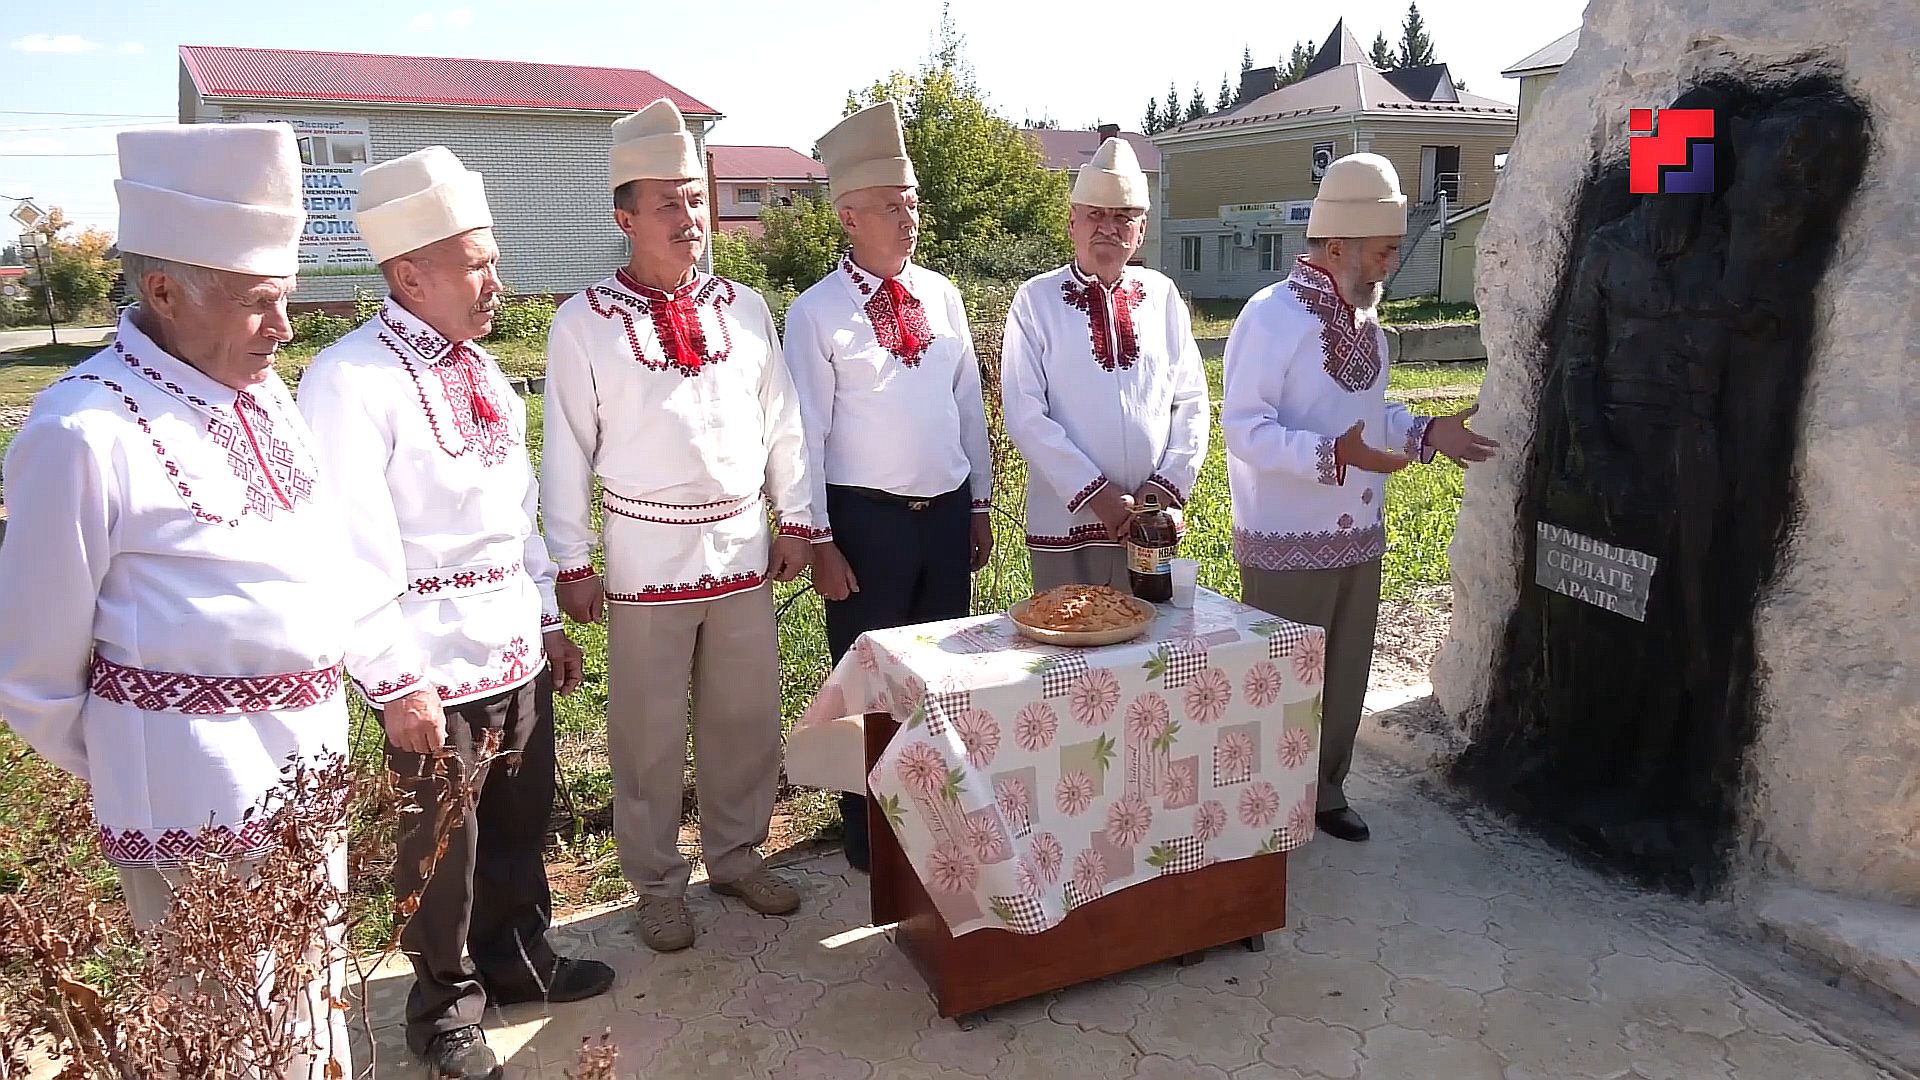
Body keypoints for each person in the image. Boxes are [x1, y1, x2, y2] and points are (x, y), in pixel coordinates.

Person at [0, 122, 426, 1078]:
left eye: (286, 298)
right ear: (163, 291)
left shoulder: (263, 397)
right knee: (227, 1031)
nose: (285, 327)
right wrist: (153, 752)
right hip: (191, 801)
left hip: (306, 773)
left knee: (309, 1006)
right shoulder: (81, 432)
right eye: (257, 302)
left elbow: (323, 562)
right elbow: (32, 675)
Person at [297, 146, 613, 1078]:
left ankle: (518, 959)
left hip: (511, 644)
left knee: (520, 820)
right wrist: (394, 680)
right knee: (443, 851)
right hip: (429, 663)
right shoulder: (350, 380)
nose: (496, 283)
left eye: (493, 261)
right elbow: (347, 547)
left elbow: (517, 509)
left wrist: (545, 619)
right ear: (409, 275)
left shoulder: (480, 370)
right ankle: (441, 1009)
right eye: (478, 265)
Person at [541, 99, 820, 952]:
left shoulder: (747, 307)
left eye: (696, 200)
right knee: (648, 734)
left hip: (741, 549)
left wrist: (798, 518)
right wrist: (571, 561)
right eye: (668, 203)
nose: (688, 217)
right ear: (624, 217)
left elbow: (783, 422)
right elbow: (564, 447)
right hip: (644, 558)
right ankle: (658, 883)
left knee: (746, 719)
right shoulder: (584, 321)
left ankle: (735, 856)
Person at [1220, 153, 1497, 842]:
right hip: (1287, 535)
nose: (1390, 265)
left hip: (1359, 533)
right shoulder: (1270, 316)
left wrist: (1427, 431)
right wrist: (1332, 456)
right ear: (1337, 246)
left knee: (1343, 675)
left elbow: (1368, 416)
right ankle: (1264, 810)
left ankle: (1325, 791)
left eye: (1393, 250)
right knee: (1282, 681)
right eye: (1383, 250)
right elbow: (1244, 428)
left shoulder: (1367, 321)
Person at [781, 101, 995, 872]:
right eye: (891, 208)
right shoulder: (816, 313)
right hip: (864, 527)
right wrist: (818, 540)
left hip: (944, 518)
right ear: (849, 216)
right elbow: (803, 433)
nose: (909, 221)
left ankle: (934, 817)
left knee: (938, 679)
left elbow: (967, 406)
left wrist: (979, 504)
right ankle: (869, 833)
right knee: (870, 686)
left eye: (913, 205)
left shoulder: (942, 295)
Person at [1002, 137, 1209, 591]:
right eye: (1095, 215)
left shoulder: (1162, 296)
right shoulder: (1036, 300)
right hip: (1068, 523)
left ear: (1141, 229)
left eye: (1122, 217)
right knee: (1068, 633)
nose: (1108, 229)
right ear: (1072, 222)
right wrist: (1099, 495)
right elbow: (1024, 413)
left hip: (1151, 526)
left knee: (1154, 631)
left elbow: (1192, 401)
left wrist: (1163, 489)